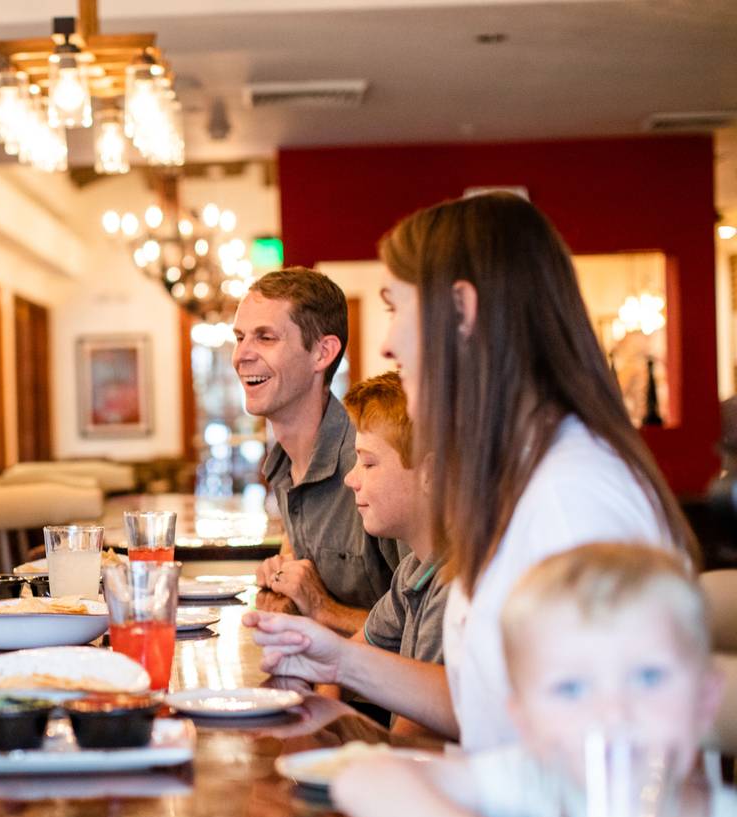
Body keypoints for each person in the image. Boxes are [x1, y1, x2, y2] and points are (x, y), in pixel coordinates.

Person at [244, 192, 694, 748]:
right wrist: (337, 659)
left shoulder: (568, 496)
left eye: (395, 307)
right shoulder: (516, 472)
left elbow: (586, 766)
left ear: (461, 309)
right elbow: (488, 701)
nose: (387, 341)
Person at [332, 544, 734, 817]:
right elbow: (363, 780)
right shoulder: (536, 784)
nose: (612, 713)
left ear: (705, 699)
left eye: (648, 677)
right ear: (523, 719)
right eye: (572, 689)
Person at [273, 373, 449, 732]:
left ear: (430, 473)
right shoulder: (413, 570)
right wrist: (318, 726)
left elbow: (414, 737)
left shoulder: (453, 585)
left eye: (368, 464)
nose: (351, 479)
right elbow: (354, 653)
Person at [234, 267, 401, 616]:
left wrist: (322, 608)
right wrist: (284, 579)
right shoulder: (283, 462)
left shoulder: (372, 458)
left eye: (265, 337)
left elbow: (428, 631)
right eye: (239, 338)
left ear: (322, 353)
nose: (241, 355)